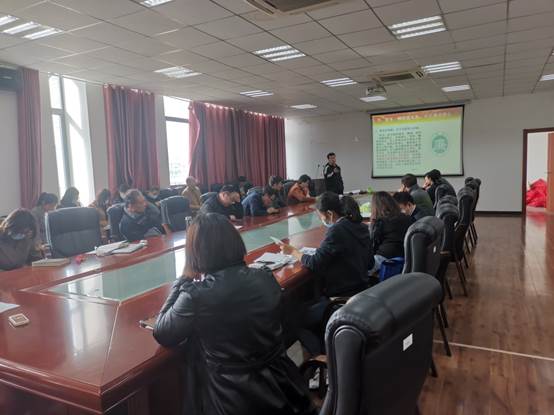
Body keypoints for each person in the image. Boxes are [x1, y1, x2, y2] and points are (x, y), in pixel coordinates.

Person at [153, 213, 315, 415]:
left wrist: (185, 277)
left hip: (229, 398)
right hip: (283, 388)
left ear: (196, 252)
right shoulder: (265, 277)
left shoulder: (196, 295)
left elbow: (163, 333)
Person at [280, 192, 372, 355]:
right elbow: (370, 262)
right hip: (362, 291)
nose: (322, 219)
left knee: (294, 321)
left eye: (321, 215)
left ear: (330, 214)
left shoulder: (337, 230)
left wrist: (293, 252)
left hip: (341, 298)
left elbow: (315, 263)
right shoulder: (360, 226)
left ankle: (324, 357)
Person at [369, 191, 413, 273]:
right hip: (403, 259)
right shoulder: (407, 218)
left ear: (375, 207)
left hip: (384, 260)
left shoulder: (380, 221)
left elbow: (373, 244)